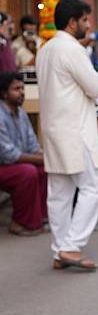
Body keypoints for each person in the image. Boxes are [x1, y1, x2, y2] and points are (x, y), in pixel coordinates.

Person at [36, 0, 98, 271]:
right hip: (76, 132)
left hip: (54, 131)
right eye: (85, 20)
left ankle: (59, 250)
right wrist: (89, 56)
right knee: (95, 186)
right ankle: (70, 246)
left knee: (60, 193)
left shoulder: (46, 48)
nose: (88, 26)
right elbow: (96, 87)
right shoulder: (72, 49)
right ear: (72, 21)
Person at [0, 72, 47, 235]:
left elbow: (32, 144)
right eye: (16, 89)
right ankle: (18, 222)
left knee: (45, 170)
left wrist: (43, 158)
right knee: (28, 172)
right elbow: (8, 154)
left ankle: (38, 218)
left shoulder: (21, 113)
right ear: (4, 93)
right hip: (4, 165)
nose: (21, 92)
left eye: (23, 88)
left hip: (13, 165)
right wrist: (41, 159)